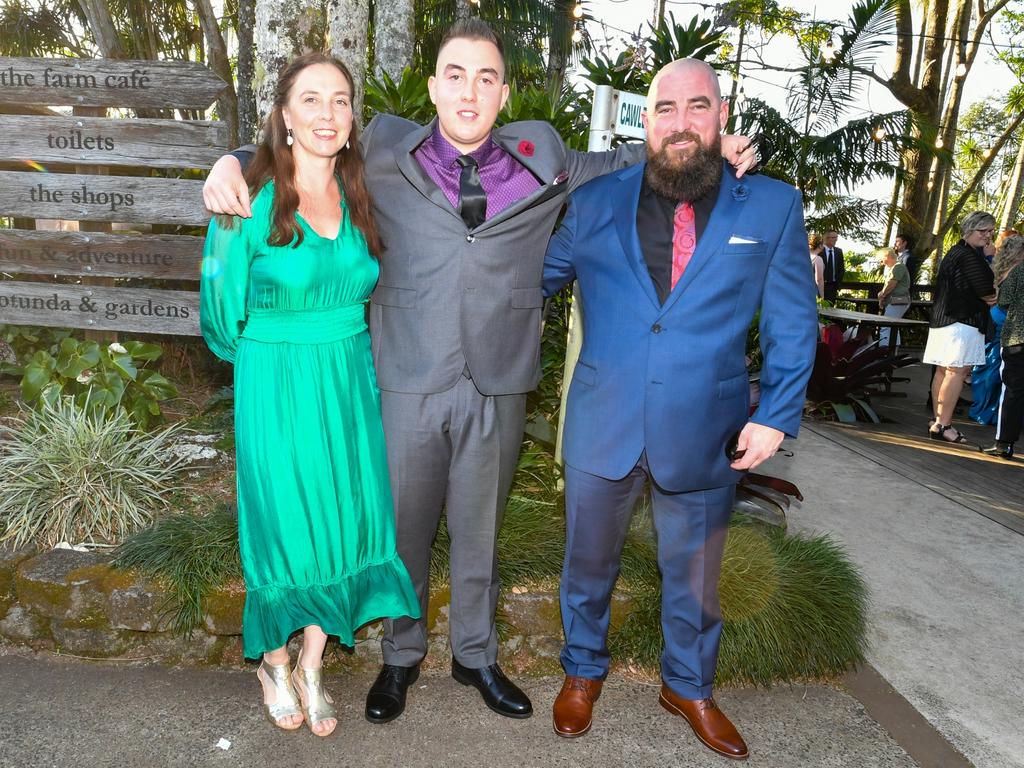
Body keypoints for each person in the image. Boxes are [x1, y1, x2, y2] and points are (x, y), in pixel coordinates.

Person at [202, 19, 762, 724]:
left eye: (487, 78)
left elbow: (619, 163)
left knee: (479, 532)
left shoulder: (543, 154)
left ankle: (476, 656)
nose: (471, 92)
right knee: (402, 531)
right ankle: (399, 660)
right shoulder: (378, 144)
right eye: (457, 76)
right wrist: (224, 163)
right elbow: (300, 137)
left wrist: (710, 141)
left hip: (499, 380)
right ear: (434, 88)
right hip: (406, 375)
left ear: (504, 94)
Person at [542, 59, 817, 760]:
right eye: (666, 108)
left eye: (698, 107)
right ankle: (581, 671)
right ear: (647, 121)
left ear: (722, 116)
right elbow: (530, 276)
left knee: (696, 574)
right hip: (604, 420)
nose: (681, 121)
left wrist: (778, 413)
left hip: (708, 428)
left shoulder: (772, 205)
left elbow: (791, 319)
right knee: (587, 562)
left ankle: (688, 686)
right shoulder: (595, 200)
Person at [199, 53, 420, 737]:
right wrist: (271, 366)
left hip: (349, 382)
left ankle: (314, 663)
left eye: (341, 101)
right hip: (276, 382)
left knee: (345, 520)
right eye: (312, 100)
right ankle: (272, 660)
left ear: (354, 118)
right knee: (284, 525)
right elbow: (218, 316)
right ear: (285, 115)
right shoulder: (246, 200)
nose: (328, 114)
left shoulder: (362, 195)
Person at [923, 211, 997, 444]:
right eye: (982, 231)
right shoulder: (968, 256)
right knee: (955, 372)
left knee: (944, 371)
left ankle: (938, 421)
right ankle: (943, 425)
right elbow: (989, 293)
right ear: (969, 230)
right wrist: (990, 261)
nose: (988, 236)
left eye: (991, 231)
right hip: (960, 323)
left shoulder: (957, 252)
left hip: (946, 321)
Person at [981, 235, 1024, 458]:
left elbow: (1004, 302)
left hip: (1017, 338)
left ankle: (1004, 443)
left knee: (1012, 391)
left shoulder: (1017, 272)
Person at [878, 246, 912, 347]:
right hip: (896, 300)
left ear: (887, 256)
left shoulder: (898, 267)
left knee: (886, 325)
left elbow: (892, 284)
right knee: (893, 326)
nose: (880, 261)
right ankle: (893, 351)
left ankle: (883, 351)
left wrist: (882, 295)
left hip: (898, 300)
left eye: (881, 258)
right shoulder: (894, 267)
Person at [822, 229, 845, 300]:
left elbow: (841, 268)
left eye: (836, 237)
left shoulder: (838, 251)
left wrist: (838, 284)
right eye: (834, 237)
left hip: (833, 286)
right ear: (826, 238)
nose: (836, 240)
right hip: (819, 284)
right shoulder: (819, 250)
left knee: (831, 308)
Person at [809, 232, 825, 299]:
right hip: (813, 292)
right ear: (820, 245)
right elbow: (819, 279)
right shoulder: (818, 259)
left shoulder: (803, 257)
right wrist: (822, 296)